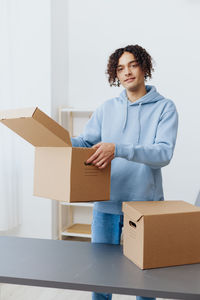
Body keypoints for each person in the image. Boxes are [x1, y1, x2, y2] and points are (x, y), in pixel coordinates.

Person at [71, 44, 178, 300]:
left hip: (145, 207)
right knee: (101, 279)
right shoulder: (107, 108)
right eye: (120, 68)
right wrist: (58, 138)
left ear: (144, 67)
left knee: (145, 280)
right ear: (115, 75)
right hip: (106, 204)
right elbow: (87, 142)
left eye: (132, 65)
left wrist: (118, 148)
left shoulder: (165, 108)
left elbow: (163, 154)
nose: (127, 72)